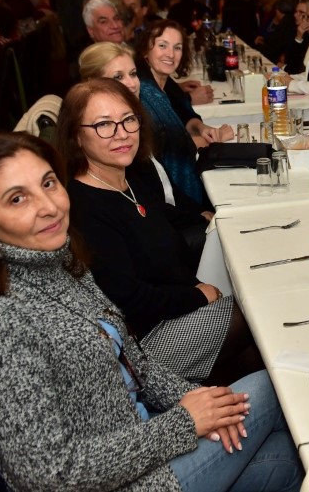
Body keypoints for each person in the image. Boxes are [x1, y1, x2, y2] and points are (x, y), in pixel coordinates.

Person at [0, 132, 302, 491]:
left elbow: (135, 366)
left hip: (137, 440)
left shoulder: (60, 263)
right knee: (272, 388)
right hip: (118, 479)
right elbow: (50, 475)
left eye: (48, 183)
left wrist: (195, 403)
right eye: (17, 199)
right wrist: (184, 422)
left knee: (288, 459)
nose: (48, 206)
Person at [56, 79, 262, 385]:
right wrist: (196, 295)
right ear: (76, 136)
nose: (122, 133)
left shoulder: (128, 179)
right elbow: (129, 300)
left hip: (173, 312)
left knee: (263, 357)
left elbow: (159, 221)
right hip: (144, 345)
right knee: (258, 313)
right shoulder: (85, 207)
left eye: (128, 119)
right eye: (104, 125)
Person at [79, 41, 212, 256]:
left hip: (167, 221)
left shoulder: (136, 121)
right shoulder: (112, 140)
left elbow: (164, 184)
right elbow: (149, 205)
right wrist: (198, 217)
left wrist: (199, 211)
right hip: (152, 237)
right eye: (118, 77)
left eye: (133, 74)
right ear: (92, 83)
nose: (131, 84)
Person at [136, 19, 231, 207]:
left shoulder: (165, 82)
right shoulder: (146, 93)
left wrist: (201, 128)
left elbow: (186, 116)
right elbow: (170, 148)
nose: (170, 54)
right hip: (171, 200)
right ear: (146, 50)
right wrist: (214, 139)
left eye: (177, 47)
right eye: (162, 45)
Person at [254, 0, 297, 65]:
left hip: (278, 61)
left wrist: (259, 46)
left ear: (278, 11)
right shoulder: (291, 21)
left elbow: (274, 47)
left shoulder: (284, 24)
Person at [283, 0, 309, 74]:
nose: (304, 19)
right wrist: (298, 37)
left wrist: (284, 67)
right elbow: (289, 60)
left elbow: (297, 67)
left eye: (307, 16)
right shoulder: (303, 32)